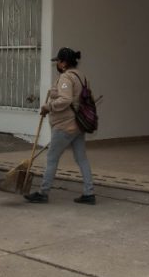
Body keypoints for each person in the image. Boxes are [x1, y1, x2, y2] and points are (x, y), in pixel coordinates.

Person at [24, 47, 96, 205]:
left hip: (65, 126)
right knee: (81, 158)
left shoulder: (66, 78)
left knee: (51, 158)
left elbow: (65, 100)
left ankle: (43, 193)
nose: (56, 63)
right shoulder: (82, 76)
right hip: (78, 125)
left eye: (58, 61)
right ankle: (89, 193)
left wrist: (48, 107)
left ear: (63, 63)